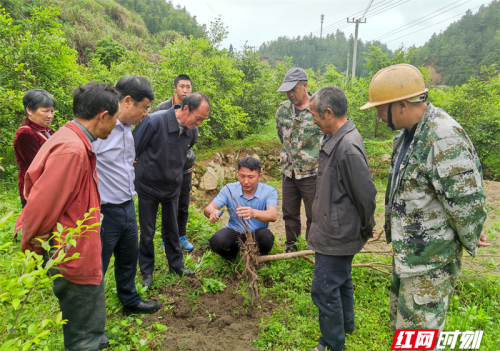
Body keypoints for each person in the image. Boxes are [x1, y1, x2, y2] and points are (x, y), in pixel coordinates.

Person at [360, 64, 488, 335]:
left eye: (381, 108)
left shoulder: (442, 136)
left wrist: (470, 234)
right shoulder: (410, 134)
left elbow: (466, 201)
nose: (379, 115)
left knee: (419, 336)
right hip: (411, 258)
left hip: (430, 263)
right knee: (405, 330)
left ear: (402, 104)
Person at [16, 82, 120, 351]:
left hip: (81, 246)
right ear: (103, 116)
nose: (115, 125)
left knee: (90, 302)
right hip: (72, 252)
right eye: (116, 118)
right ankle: (87, 342)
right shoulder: (71, 150)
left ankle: (94, 338)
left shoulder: (71, 138)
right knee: (81, 322)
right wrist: (34, 249)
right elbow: (42, 208)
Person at [307, 86, 377, 351]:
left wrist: (366, 225)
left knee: (324, 288)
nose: (312, 120)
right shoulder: (336, 137)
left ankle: (331, 344)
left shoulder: (346, 146)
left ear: (328, 113)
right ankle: (346, 324)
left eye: (314, 115)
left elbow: (366, 193)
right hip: (336, 226)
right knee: (341, 279)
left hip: (336, 233)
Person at [93, 76, 161, 316]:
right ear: (128, 101)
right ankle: (94, 322)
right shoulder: (99, 130)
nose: (145, 114)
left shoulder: (129, 129)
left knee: (128, 260)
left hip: (127, 205)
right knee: (96, 267)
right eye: (144, 108)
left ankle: (130, 300)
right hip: (103, 210)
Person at [133, 92, 210, 287]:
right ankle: (147, 272)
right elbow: (134, 148)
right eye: (198, 118)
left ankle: (176, 265)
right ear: (186, 109)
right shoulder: (153, 122)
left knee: (172, 229)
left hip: (172, 186)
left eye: (203, 120)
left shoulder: (192, 130)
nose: (199, 123)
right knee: (148, 232)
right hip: (148, 186)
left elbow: (185, 150)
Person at [275, 67, 322, 252]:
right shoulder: (282, 110)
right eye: (287, 90)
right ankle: (291, 248)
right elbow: (281, 136)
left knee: (313, 213)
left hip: (311, 172)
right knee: (289, 212)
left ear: (305, 86)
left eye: (294, 89)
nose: (290, 94)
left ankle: (311, 248)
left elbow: (326, 138)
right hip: (289, 171)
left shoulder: (317, 108)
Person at [204, 157, 278, 264]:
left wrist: (254, 213)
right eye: (242, 176)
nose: (245, 181)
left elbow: (273, 215)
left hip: (257, 233)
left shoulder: (269, 191)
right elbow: (208, 208)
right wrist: (213, 212)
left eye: (251, 177)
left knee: (266, 237)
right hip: (235, 231)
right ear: (237, 173)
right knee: (216, 241)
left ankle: (259, 259)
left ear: (259, 176)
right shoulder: (229, 189)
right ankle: (232, 255)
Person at [152, 74, 195, 252]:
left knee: (183, 203)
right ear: (175, 88)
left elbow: (193, 137)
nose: (185, 90)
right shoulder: (161, 109)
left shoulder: (193, 107)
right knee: (168, 203)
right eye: (181, 86)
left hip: (185, 165)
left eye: (188, 87)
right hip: (165, 168)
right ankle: (166, 238)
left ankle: (181, 235)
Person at [13, 89, 56, 208]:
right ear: (29, 110)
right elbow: (36, 166)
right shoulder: (26, 134)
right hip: (34, 191)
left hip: (49, 190)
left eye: (52, 111)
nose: (50, 115)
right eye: (45, 111)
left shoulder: (47, 130)